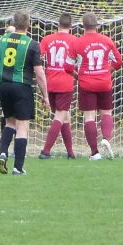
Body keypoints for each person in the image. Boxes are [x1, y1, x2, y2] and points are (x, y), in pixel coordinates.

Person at [0, 10, 50, 175]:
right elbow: (39, 74)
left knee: (9, 123)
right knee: (22, 127)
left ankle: (2, 153)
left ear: (13, 23)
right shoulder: (32, 44)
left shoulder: (1, 41)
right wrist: (45, 95)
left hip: (4, 86)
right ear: (28, 24)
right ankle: (18, 167)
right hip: (22, 86)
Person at [65, 12, 122, 160]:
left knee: (89, 117)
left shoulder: (77, 43)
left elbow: (67, 67)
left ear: (83, 26)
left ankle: (95, 153)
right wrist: (106, 71)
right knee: (106, 112)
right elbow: (118, 62)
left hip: (86, 84)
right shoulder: (107, 41)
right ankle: (106, 138)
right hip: (104, 82)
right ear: (97, 25)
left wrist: (79, 76)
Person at [39, 13, 77, 159]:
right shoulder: (74, 40)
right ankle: (45, 151)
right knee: (60, 116)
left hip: (50, 82)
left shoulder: (47, 39)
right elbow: (78, 62)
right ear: (71, 25)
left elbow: (39, 57)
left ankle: (70, 153)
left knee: (65, 116)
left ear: (58, 25)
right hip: (65, 82)